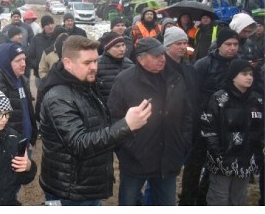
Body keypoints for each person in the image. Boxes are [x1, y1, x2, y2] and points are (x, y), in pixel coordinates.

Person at [36, 35, 153, 206]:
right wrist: (126, 125)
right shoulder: (59, 97)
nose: (94, 67)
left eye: (95, 61)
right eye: (87, 63)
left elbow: (98, 126)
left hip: (86, 185)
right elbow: (79, 143)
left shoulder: (85, 85)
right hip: (70, 192)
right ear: (68, 63)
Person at [108, 38, 192, 206]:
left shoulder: (174, 78)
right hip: (136, 159)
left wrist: (182, 142)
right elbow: (113, 117)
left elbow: (186, 113)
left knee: (167, 203)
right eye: (156, 56)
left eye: (162, 54)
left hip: (167, 157)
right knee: (129, 202)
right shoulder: (124, 81)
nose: (162, 59)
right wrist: (128, 148)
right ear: (141, 59)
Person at [181, 27, 241, 206]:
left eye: (235, 44)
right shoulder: (203, 64)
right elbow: (192, 95)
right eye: (228, 44)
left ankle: (202, 199)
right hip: (203, 123)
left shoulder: (241, 65)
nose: (232, 48)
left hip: (228, 125)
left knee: (217, 165)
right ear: (219, 45)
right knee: (194, 164)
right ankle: (187, 200)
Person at [200, 59, 264, 206]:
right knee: (219, 201)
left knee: (238, 201)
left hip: (245, 162)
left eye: (251, 74)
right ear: (234, 76)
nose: (249, 77)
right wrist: (219, 156)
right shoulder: (219, 98)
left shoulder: (256, 101)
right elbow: (208, 129)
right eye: (244, 74)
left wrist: (257, 156)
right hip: (222, 162)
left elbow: (260, 132)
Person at [0, 42, 37, 147]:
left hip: (25, 142)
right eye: (18, 60)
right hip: (10, 146)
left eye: (24, 59)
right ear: (6, 63)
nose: (23, 64)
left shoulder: (23, 80)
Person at [96, 31, 134, 102]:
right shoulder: (97, 65)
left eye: (123, 45)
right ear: (108, 48)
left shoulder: (129, 64)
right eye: (117, 46)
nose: (122, 49)